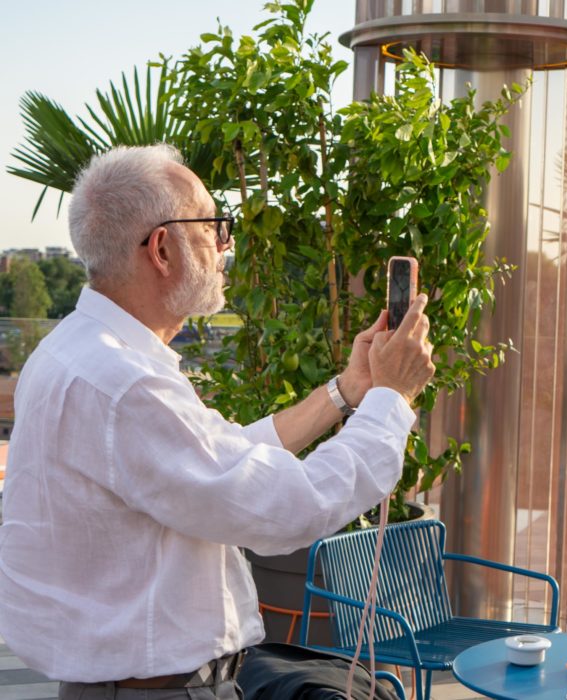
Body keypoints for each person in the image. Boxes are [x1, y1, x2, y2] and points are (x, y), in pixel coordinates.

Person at [0, 144, 436, 699]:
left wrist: (348, 391)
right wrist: (392, 397)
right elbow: (290, 506)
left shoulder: (81, 351)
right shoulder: (124, 384)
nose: (226, 245)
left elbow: (222, 457)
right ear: (162, 249)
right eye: (213, 226)